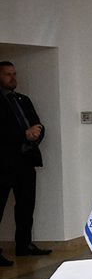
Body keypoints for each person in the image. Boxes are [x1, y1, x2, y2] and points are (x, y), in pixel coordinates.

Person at [0, 61, 49, 265]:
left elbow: (37, 124)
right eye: (7, 74)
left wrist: (35, 134)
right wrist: (23, 134)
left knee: (26, 204)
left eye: (14, 73)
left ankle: (24, 244)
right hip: (3, 163)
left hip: (25, 160)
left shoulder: (23, 99)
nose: (13, 78)